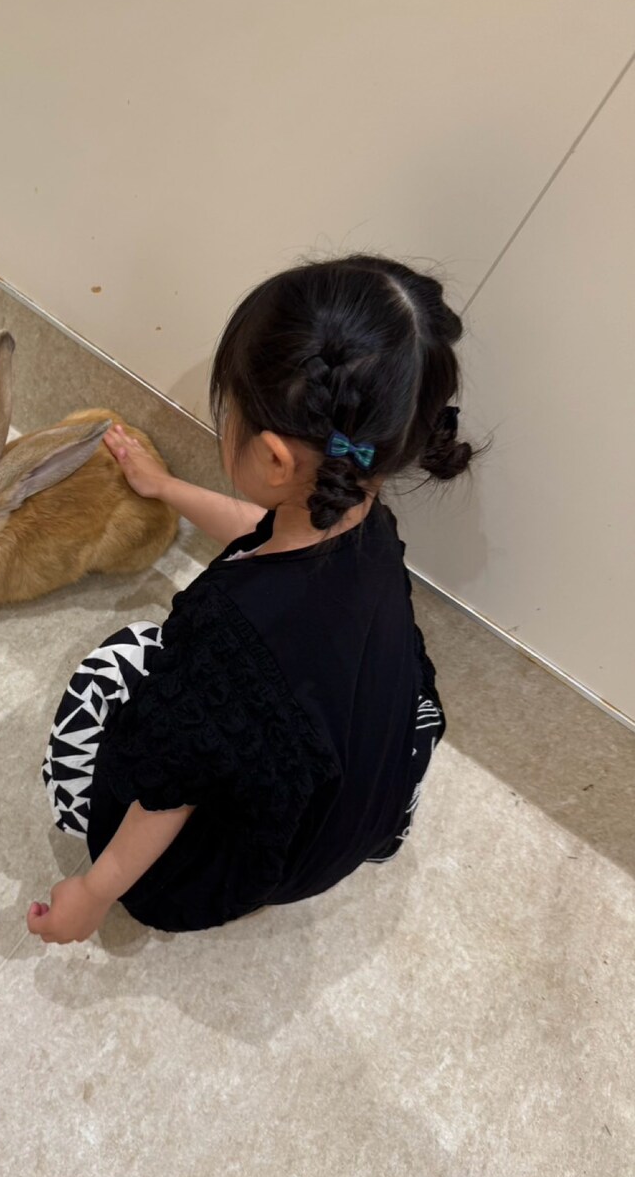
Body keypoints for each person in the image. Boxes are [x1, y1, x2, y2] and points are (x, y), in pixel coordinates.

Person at [28, 254, 478, 944]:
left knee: (120, 662)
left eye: (228, 412)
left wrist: (91, 893)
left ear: (272, 458)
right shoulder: (368, 525)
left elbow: (168, 791)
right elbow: (263, 531)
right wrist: (166, 488)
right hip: (352, 816)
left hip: (254, 863)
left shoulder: (226, 634)